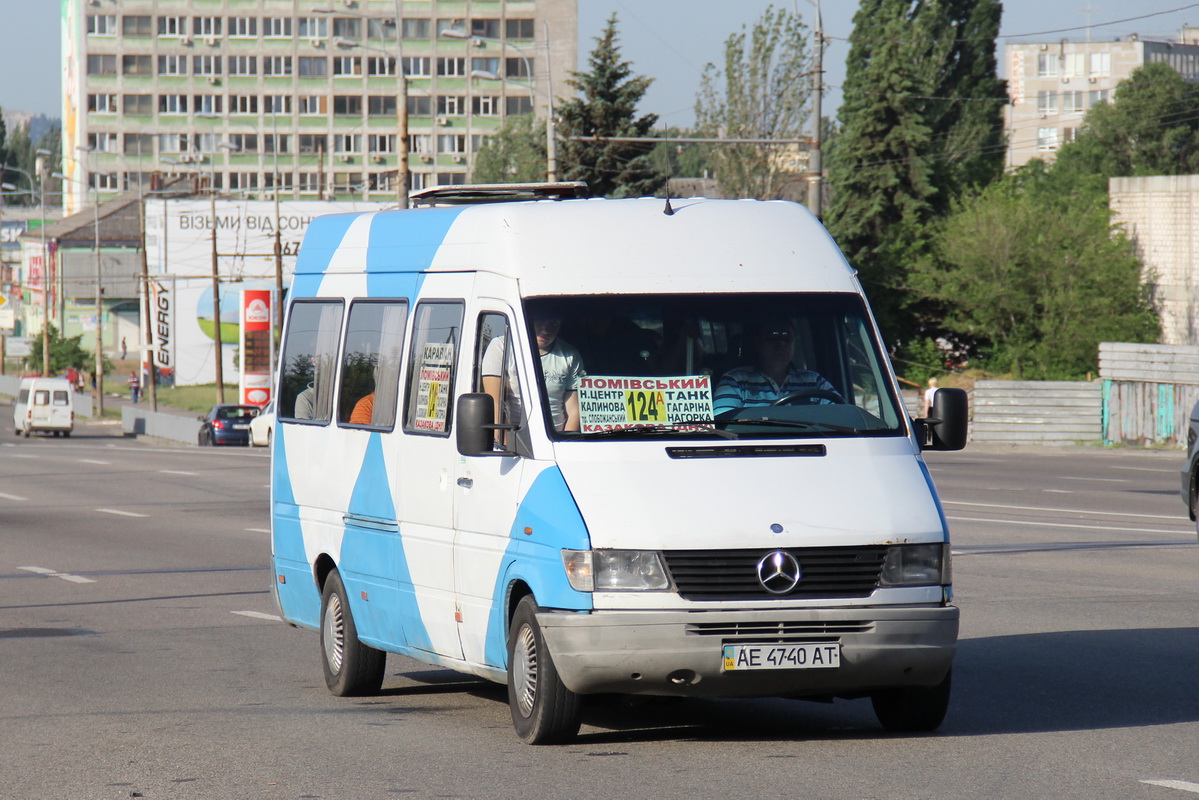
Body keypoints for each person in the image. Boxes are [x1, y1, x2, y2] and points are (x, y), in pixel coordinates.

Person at [713, 318, 839, 415]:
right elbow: (724, 425)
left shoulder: (814, 381)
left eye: (787, 337)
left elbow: (841, 416)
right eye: (773, 337)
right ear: (758, 342)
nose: (781, 343)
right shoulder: (735, 381)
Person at [483, 314, 584, 433]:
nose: (545, 330)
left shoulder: (570, 355)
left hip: (557, 439)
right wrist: (505, 446)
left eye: (553, 325)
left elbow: (574, 410)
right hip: (515, 439)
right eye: (540, 322)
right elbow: (495, 405)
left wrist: (566, 443)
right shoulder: (501, 347)